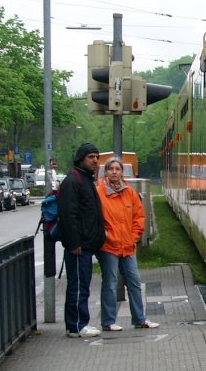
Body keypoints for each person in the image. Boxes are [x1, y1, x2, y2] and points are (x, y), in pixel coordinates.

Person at [96, 156, 160, 331]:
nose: (114, 172)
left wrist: (133, 237)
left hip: (127, 245)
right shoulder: (99, 192)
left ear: (122, 172)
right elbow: (95, 219)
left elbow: (139, 216)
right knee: (110, 283)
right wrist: (107, 235)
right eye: (111, 169)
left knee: (134, 282)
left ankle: (140, 319)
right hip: (108, 246)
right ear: (106, 172)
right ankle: (108, 322)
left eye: (117, 169)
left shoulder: (129, 192)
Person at [59, 142, 105, 338]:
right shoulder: (73, 180)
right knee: (78, 285)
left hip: (86, 243)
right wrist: (74, 242)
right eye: (90, 157)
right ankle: (77, 325)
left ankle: (78, 322)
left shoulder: (85, 179)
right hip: (79, 245)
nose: (95, 160)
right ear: (80, 159)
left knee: (82, 283)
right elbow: (69, 215)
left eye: (97, 157)